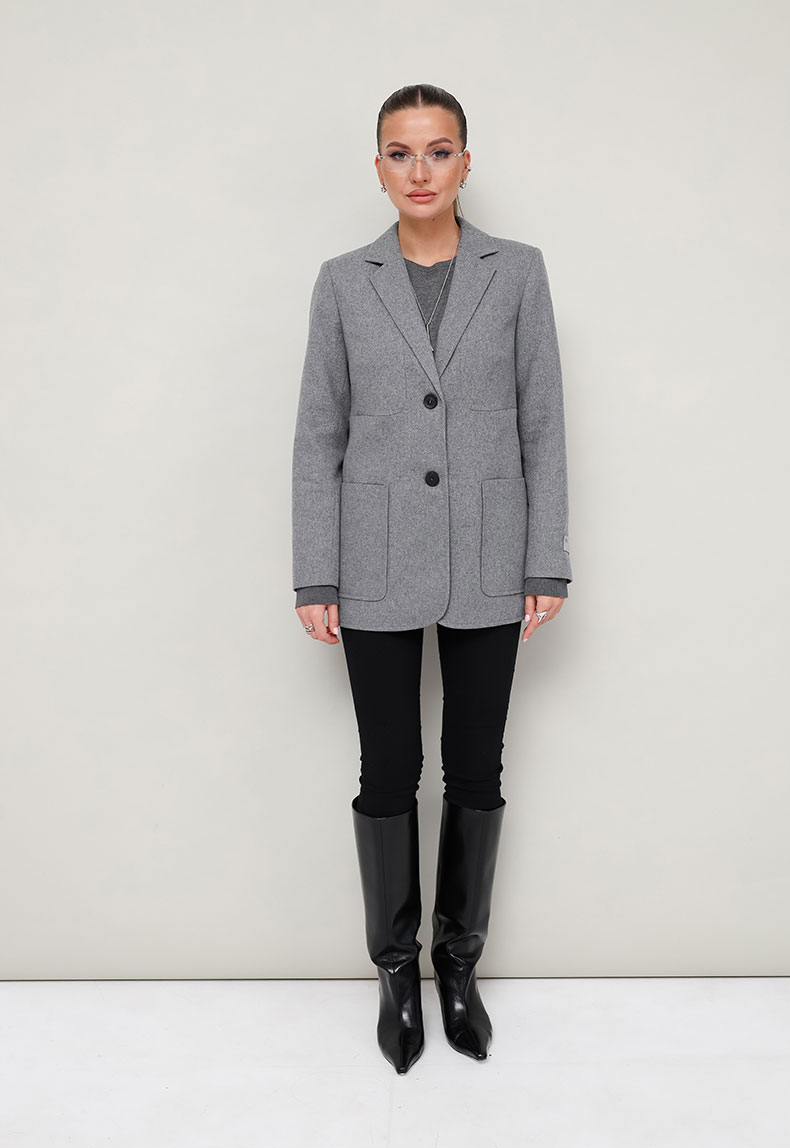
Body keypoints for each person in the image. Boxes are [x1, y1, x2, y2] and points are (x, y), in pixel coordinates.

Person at [292, 83, 572, 1074]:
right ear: (378, 167)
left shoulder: (517, 271)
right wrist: (314, 575)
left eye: (438, 151)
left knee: (476, 767)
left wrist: (545, 558)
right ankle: (393, 974)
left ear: (465, 162)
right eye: (401, 153)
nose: (420, 171)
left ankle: (456, 966)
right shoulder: (342, 281)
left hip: (491, 554)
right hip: (369, 558)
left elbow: (543, 423)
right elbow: (317, 437)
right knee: (386, 770)